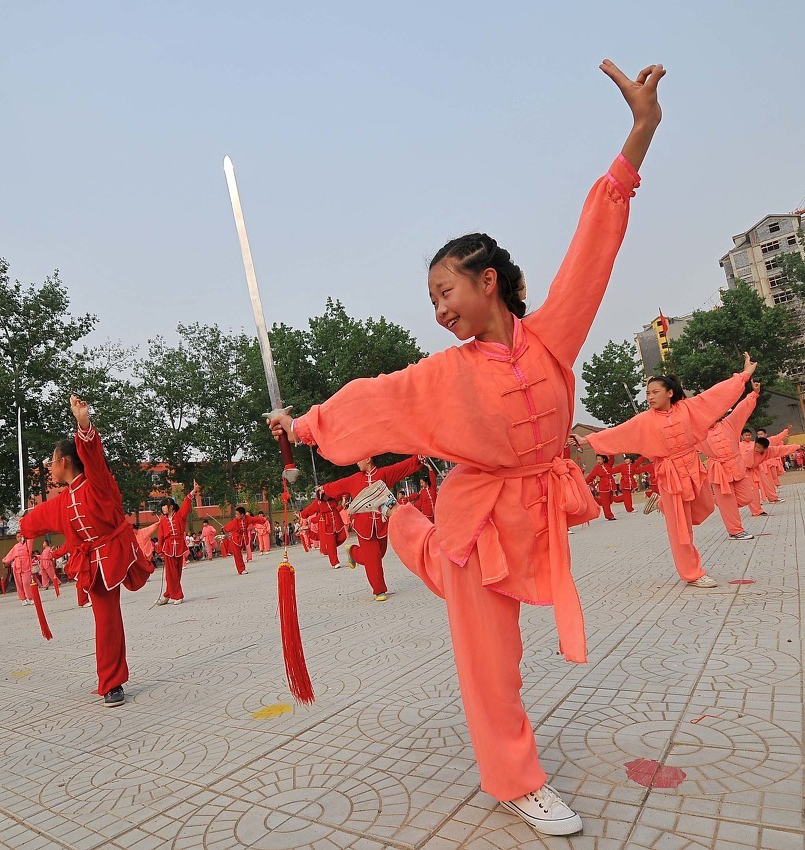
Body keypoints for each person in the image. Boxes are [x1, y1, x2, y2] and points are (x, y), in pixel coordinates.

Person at [268, 59, 664, 837]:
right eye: (431, 300)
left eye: (445, 292)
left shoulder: (551, 340)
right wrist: (305, 425)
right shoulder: (442, 377)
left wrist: (640, 131)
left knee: (440, 568)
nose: (440, 310)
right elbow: (369, 398)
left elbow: (594, 246)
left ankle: (396, 523)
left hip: (535, 509)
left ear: (489, 281)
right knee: (490, 659)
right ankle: (517, 780)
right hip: (478, 517)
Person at [18, 395, 155, 707]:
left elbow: (93, 457)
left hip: (112, 557)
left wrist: (83, 423)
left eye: (51, 462)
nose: (49, 468)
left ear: (64, 462)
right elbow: (38, 519)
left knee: (107, 620)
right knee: (104, 619)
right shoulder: (64, 501)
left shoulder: (97, 483)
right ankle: (111, 680)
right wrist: (22, 527)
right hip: (91, 567)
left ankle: (111, 683)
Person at [583, 353, 758, 587]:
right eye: (648, 393)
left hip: (693, 468)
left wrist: (743, 375)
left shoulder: (688, 408)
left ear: (670, 392)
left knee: (706, 506)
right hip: (670, 474)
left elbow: (716, 396)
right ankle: (692, 573)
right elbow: (618, 433)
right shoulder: (644, 420)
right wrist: (588, 441)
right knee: (680, 527)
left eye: (655, 392)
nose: (650, 396)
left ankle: (663, 504)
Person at [322, 454, 422, 600]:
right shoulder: (355, 479)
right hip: (363, 526)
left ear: (368, 459)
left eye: (359, 459)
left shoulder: (384, 474)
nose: (356, 463)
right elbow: (338, 485)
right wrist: (323, 489)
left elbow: (402, 468)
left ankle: (353, 552)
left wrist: (418, 458)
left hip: (381, 524)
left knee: (379, 554)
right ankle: (379, 590)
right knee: (373, 558)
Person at [700, 381, 761, 540]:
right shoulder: (698, 432)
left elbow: (742, 410)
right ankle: (735, 531)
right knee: (727, 503)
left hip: (736, 466)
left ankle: (716, 501)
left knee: (748, 496)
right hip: (718, 471)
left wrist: (753, 394)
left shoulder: (730, 423)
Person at [155, 483, 200, 606]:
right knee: (170, 574)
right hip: (168, 548)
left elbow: (186, 504)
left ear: (171, 507)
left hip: (179, 546)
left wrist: (193, 492)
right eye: (162, 506)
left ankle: (167, 595)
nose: (163, 508)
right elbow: (160, 536)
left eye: (164, 506)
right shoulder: (163, 520)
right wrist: (160, 551)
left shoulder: (180, 516)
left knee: (177, 573)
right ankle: (177, 595)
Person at [221, 507, 265, 575]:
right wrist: (224, 528)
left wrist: (263, 520)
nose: (236, 515)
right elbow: (228, 527)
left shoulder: (248, 518)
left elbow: (255, 519)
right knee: (237, 555)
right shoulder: (235, 520)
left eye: (237, 514)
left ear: (242, 514)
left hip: (244, 538)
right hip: (235, 538)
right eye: (235, 514)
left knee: (246, 550)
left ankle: (247, 560)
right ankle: (241, 569)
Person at [584, 455, 618, 521]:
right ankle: (609, 516)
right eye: (597, 459)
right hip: (603, 486)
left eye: (600, 459)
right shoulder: (596, 468)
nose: (598, 461)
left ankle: (593, 500)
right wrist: (584, 483)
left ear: (604, 459)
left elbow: (612, 458)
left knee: (610, 501)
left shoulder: (608, 464)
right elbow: (591, 476)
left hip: (611, 485)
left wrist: (608, 449)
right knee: (606, 503)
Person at [5, 535, 35, 607]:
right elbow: (10, 555)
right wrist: (5, 561)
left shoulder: (28, 544)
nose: (19, 538)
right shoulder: (15, 546)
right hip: (17, 565)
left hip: (26, 564)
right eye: (17, 537)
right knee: (19, 583)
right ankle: (23, 599)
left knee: (26, 582)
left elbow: (31, 537)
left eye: (20, 536)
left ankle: (30, 597)